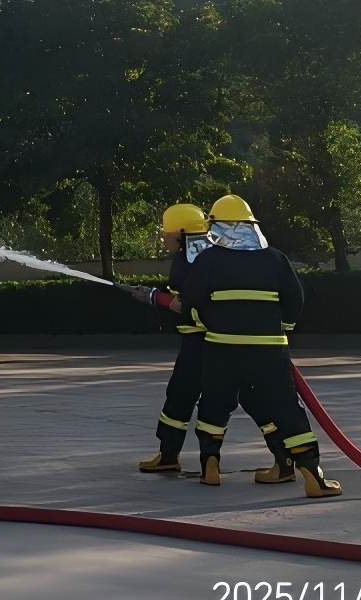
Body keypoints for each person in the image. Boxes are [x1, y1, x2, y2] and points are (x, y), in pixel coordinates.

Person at [182, 194, 342, 498]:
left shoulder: (208, 260)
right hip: (269, 350)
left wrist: (208, 324)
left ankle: (210, 466)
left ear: (217, 226)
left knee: (214, 403)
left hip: (222, 348)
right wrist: (282, 329)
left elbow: (191, 302)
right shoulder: (276, 259)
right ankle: (313, 475)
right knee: (285, 407)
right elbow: (295, 301)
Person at [138, 204, 294, 484]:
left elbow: (184, 304)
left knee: (181, 397)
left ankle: (176, 455)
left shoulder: (188, 260)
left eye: (167, 233)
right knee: (255, 400)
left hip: (206, 344)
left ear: (181, 233)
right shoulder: (222, 255)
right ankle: (284, 458)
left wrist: (154, 298)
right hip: (231, 344)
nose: (164, 237)